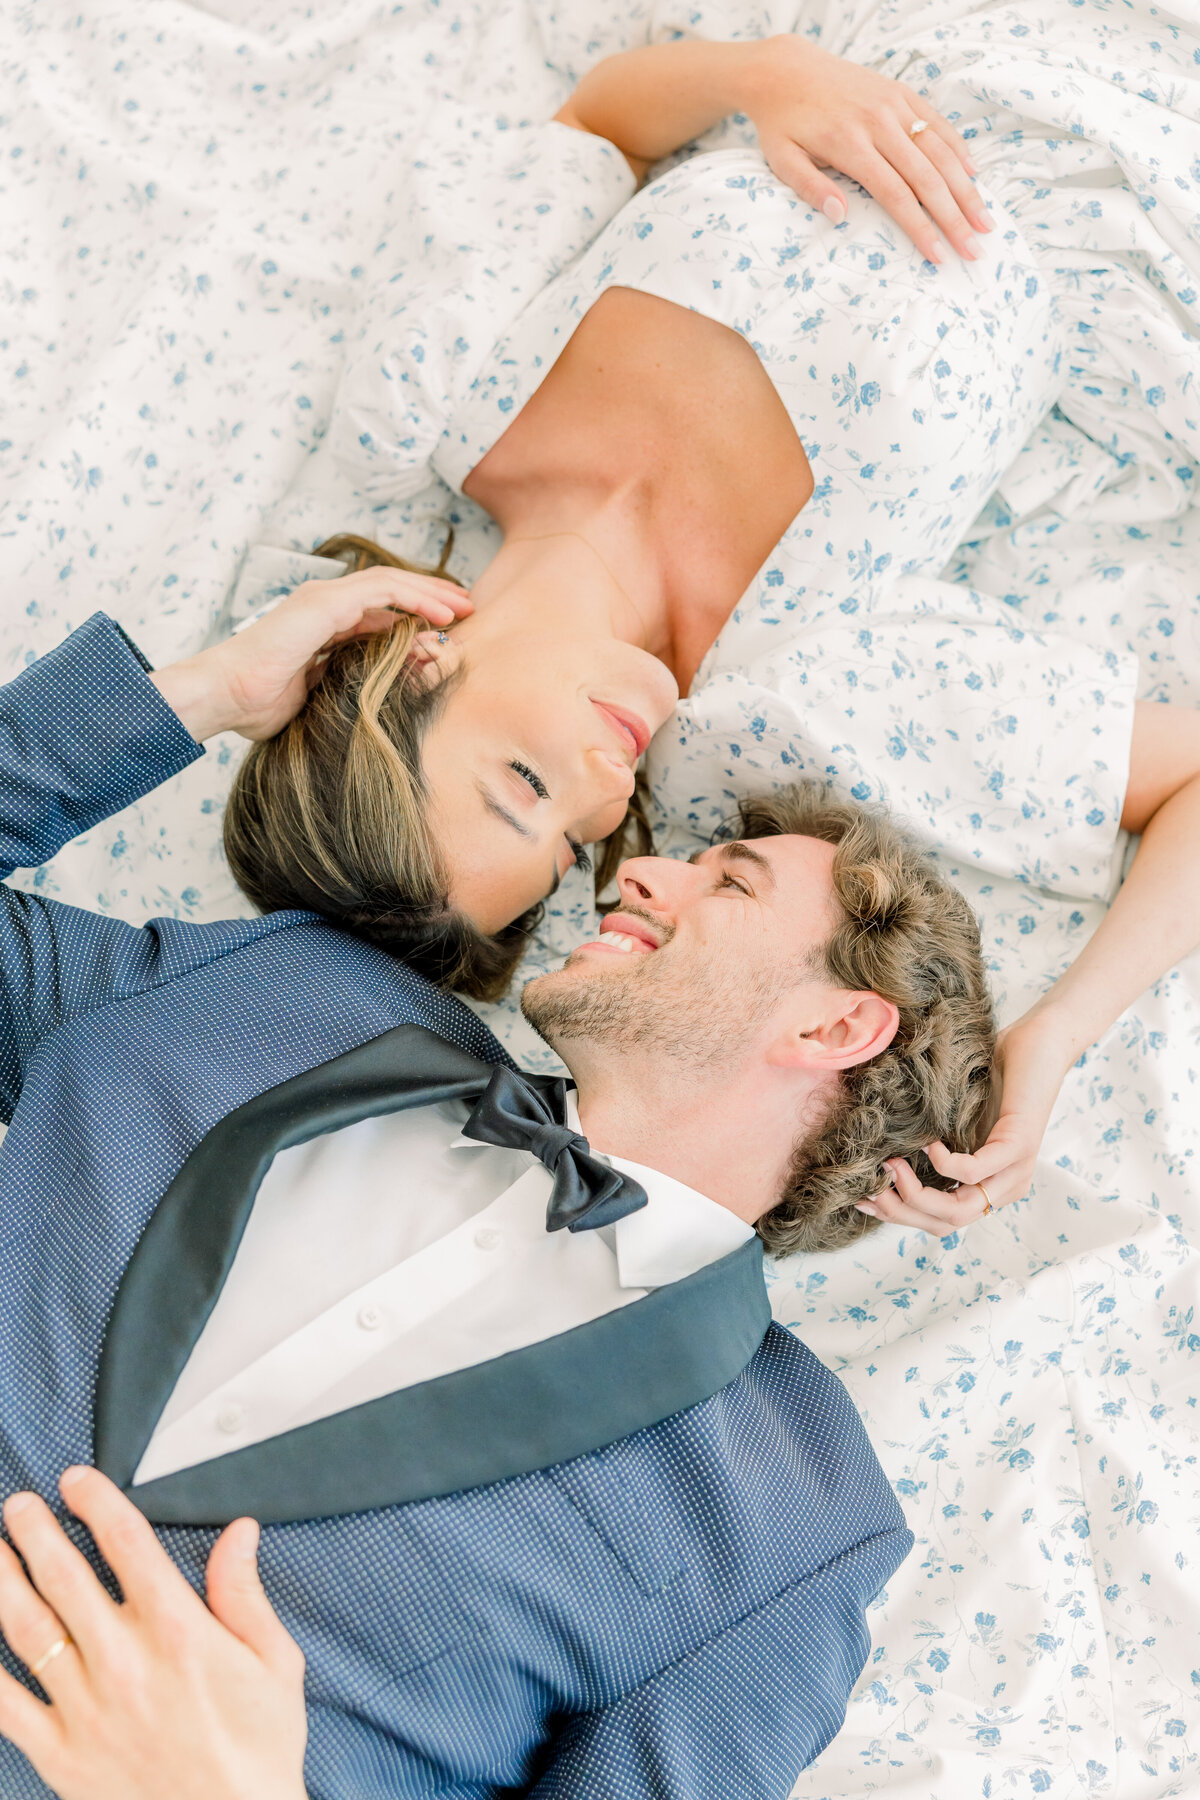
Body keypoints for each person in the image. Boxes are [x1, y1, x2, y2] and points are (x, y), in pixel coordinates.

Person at [0, 595, 998, 1796]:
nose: (639, 880)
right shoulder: (291, 994)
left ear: (839, 1023)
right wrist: (197, 693)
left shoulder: (798, 1525)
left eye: (727, 883)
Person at [216, 28, 1200, 1234]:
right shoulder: (805, 679)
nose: (607, 783)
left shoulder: (439, 397)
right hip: (1146, 169)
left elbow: (592, 131)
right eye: (580, 837)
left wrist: (760, 76)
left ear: (415, 660)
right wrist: (1055, 1033)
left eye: (526, 780)